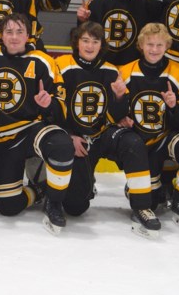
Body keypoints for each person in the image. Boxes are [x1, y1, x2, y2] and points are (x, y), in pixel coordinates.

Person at [0, 13, 75, 233]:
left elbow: (62, 108)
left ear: (28, 35)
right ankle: (39, 190)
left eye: (20, 31)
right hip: (1, 139)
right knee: (8, 207)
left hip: (32, 130)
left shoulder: (44, 60)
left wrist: (48, 104)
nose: (14, 36)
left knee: (62, 145)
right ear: (1, 35)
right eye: (9, 31)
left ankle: (54, 202)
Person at [57, 22, 162, 236]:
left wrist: (119, 97)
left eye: (95, 41)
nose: (90, 45)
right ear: (77, 42)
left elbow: (117, 114)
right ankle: (80, 184)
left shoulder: (111, 70)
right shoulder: (61, 65)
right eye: (85, 40)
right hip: (78, 139)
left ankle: (142, 204)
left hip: (103, 133)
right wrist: (69, 136)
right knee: (75, 208)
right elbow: (55, 108)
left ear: (101, 45)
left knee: (132, 142)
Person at [118, 22, 179, 230]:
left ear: (167, 46)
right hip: (140, 143)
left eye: (159, 45)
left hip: (167, 137)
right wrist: (121, 116)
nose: (154, 49)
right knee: (151, 203)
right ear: (141, 45)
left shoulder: (178, 72)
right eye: (150, 44)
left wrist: (174, 106)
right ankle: (141, 188)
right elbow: (117, 108)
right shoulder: (126, 71)